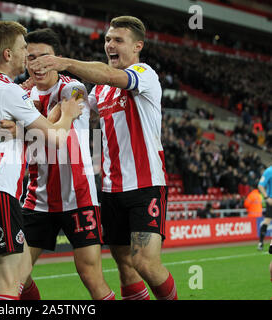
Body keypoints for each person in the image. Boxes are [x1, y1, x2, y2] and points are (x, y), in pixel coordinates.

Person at [30, 16, 177, 300]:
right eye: (108, 39)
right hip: (110, 191)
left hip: (145, 186)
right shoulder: (99, 92)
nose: (110, 44)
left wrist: (65, 63)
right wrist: (34, 88)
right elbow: (73, 108)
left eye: (118, 40)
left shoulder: (144, 74)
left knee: (145, 263)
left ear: (137, 46)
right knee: (125, 267)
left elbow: (109, 75)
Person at [0, 21, 83, 300]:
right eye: (24, 49)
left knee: (19, 273)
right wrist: (68, 113)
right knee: (9, 282)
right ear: (8, 54)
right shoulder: (8, 90)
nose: (27, 55)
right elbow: (56, 137)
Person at [12, 28, 114, 300]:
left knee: (91, 276)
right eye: (30, 57)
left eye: (44, 57)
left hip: (78, 196)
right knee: (15, 278)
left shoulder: (75, 89)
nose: (37, 64)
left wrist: (21, 122)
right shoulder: (20, 95)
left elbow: (59, 132)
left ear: (56, 58)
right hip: (37, 199)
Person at [257, 166, 272, 251]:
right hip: (271, 200)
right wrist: (266, 198)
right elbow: (260, 185)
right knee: (267, 220)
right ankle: (261, 242)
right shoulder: (269, 171)